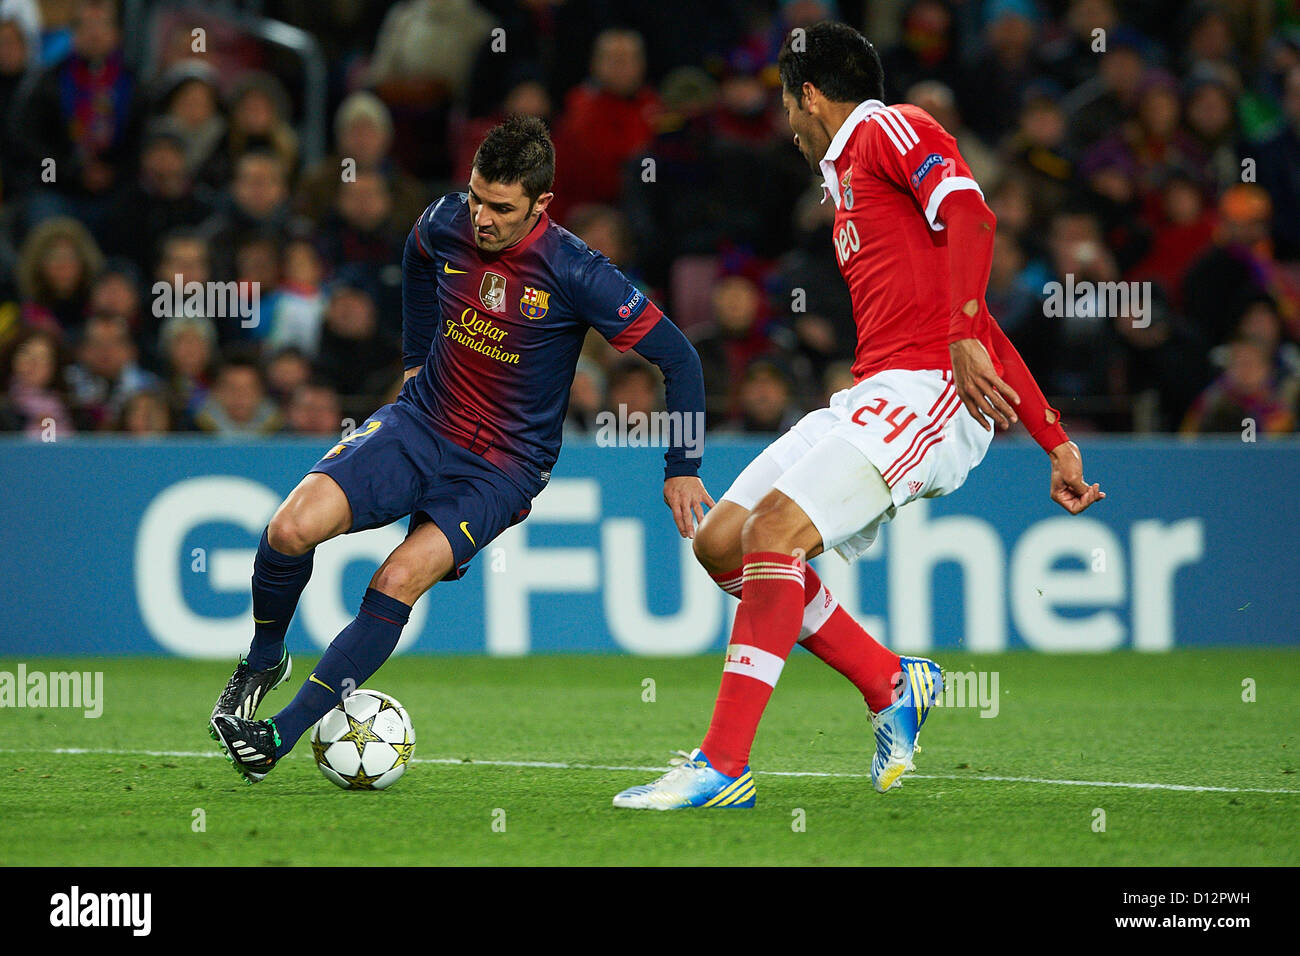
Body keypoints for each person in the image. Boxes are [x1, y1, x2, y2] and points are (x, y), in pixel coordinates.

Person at [614, 22, 1104, 811]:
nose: (786, 122)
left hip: (925, 394)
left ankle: (723, 763)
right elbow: (983, 328)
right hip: (872, 393)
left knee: (775, 532)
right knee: (721, 544)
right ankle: (889, 680)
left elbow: (975, 216)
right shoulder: (849, 177)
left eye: (787, 104)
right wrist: (1056, 439)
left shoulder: (889, 125)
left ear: (809, 94)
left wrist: (962, 331)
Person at [208, 117, 711, 782]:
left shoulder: (577, 271)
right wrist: (417, 362)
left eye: (501, 207)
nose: (482, 217)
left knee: (396, 579)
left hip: (503, 466)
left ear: (541, 204)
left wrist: (682, 469)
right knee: (289, 527)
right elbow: (416, 262)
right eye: (476, 196)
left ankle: (278, 734)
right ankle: (265, 656)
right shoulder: (444, 221)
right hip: (422, 422)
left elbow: (680, 358)